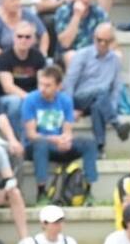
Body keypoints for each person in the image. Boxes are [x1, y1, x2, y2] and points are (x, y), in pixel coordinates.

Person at [22, 64, 99, 204]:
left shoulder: (65, 100)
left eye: (47, 86)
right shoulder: (30, 100)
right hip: (37, 145)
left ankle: (87, 190)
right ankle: (41, 192)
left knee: (89, 144)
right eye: (41, 84)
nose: (42, 89)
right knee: (41, 144)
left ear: (58, 87)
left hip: (58, 145)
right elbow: (31, 134)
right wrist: (55, 140)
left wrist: (66, 140)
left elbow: (67, 130)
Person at [66, 22, 130, 154]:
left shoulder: (115, 61)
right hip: (81, 97)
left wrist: (111, 107)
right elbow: (70, 82)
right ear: (94, 38)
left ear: (112, 41)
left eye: (106, 41)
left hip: (101, 100)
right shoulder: (82, 55)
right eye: (99, 40)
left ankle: (100, 146)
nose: (102, 44)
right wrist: (69, 109)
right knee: (101, 91)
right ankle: (116, 124)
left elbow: (116, 88)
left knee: (98, 105)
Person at [0, 19, 47, 143]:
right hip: (8, 98)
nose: (23, 40)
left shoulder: (38, 57)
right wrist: (29, 98)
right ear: (14, 37)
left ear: (33, 40)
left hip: (31, 95)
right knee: (16, 102)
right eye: (20, 36)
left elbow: (42, 83)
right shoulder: (4, 57)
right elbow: (8, 87)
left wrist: (35, 97)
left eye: (27, 37)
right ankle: (21, 141)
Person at [55, 0, 108, 67]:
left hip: (95, 52)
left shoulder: (99, 13)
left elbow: (108, 38)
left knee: (115, 54)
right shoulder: (63, 11)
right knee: (71, 56)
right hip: (70, 53)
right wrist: (77, 16)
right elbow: (65, 43)